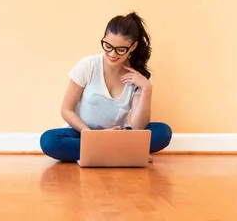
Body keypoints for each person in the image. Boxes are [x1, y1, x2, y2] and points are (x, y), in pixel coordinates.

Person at [39, 12, 172, 162]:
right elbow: (66, 110)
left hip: (118, 136)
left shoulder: (140, 76)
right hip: (82, 133)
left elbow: (138, 127)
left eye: (120, 49)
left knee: (163, 132)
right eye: (107, 46)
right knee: (49, 141)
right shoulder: (88, 65)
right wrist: (92, 136)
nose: (112, 54)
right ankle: (122, 153)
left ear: (133, 46)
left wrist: (147, 89)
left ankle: (100, 152)